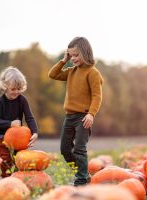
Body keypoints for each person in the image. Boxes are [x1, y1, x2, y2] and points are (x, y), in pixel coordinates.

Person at [48, 37, 103, 186]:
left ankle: (81, 180)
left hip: (83, 117)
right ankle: (83, 174)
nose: (73, 58)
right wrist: (63, 60)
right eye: (71, 55)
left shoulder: (93, 73)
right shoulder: (72, 71)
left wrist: (91, 114)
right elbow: (52, 74)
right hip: (70, 116)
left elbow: (97, 96)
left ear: (85, 53)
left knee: (79, 148)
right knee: (65, 149)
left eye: (76, 55)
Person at [0, 66, 38, 178]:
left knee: (19, 159)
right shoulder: (1, 102)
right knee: (8, 159)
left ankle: (17, 178)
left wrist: (35, 132)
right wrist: (10, 124)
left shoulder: (22, 100)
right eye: (13, 89)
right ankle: (5, 179)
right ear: (5, 86)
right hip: (1, 137)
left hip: (17, 137)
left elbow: (29, 118)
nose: (16, 92)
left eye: (19, 89)